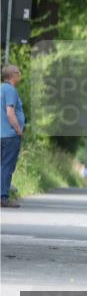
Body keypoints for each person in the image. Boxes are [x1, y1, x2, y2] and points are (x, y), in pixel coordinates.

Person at [1, 64, 25, 208]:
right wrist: (18, 130)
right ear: (13, 74)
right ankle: (3, 197)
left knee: (1, 166)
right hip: (9, 135)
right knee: (7, 166)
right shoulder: (10, 90)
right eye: (18, 72)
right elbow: (10, 113)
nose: (20, 75)